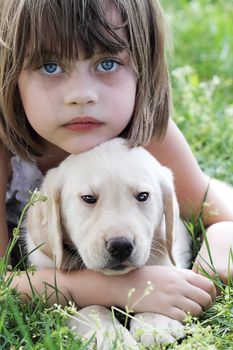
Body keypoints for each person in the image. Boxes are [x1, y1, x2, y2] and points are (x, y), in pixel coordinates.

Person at [0, 0, 232, 324]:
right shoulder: (3, 151)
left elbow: (221, 217)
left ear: (144, 67)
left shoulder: (147, 133)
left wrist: (212, 260)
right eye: (50, 66)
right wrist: (119, 289)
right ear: (9, 74)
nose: (81, 95)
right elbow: (4, 285)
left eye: (107, 63)